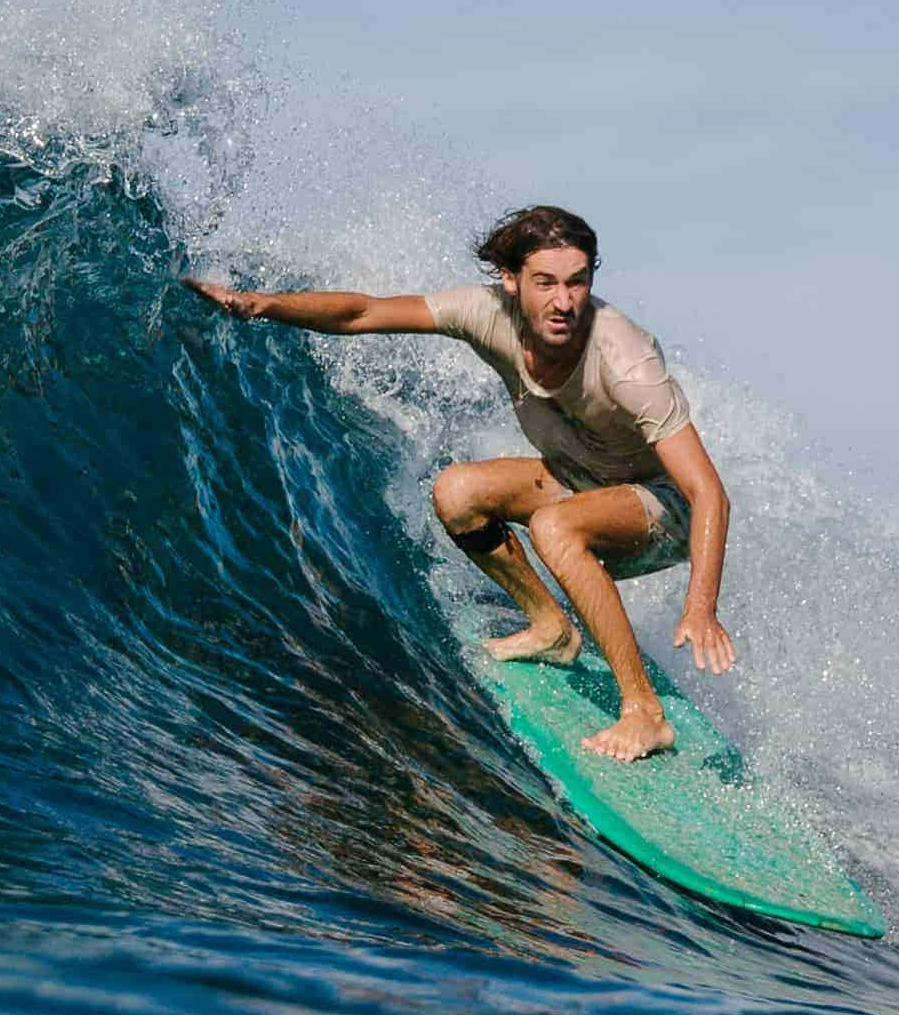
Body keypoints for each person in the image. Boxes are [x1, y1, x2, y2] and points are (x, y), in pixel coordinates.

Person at [187, 205, 736, 764]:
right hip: (582, 480)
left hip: (660, 509)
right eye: (545, 283)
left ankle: (645, 712)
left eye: (578, 282)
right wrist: (264, 306)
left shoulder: (625, 361)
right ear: (510, 280)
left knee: (555, 526)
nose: (564, 301)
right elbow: (363, 313)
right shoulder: (484, 313)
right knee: (458, 492)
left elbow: (707, 492)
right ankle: (551, 627)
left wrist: (700, 606)